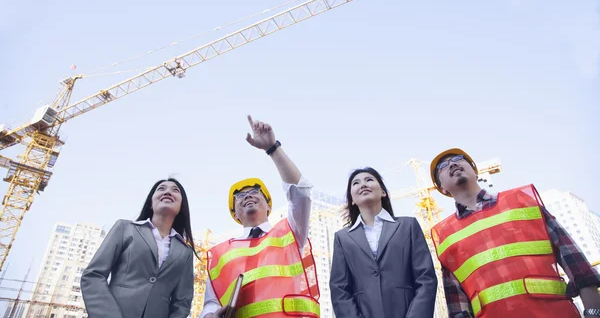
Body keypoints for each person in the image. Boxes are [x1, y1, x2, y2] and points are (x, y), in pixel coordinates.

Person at [429, 148, 600, 318]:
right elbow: (458, 307)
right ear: (442, 188)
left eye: (459, 158)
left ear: (474, 170)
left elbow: (575, 261)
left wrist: (593, 311)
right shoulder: (445, 235)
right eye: (443, 166)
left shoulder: (520, 201)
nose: (452, 163)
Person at [200, 115, 320, 318]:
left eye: (255, 191)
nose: (247, 195)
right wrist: (210, 316)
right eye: (239, 196)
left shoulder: (290, 233)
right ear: (235, 214)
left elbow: (301, 192)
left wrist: (272, 149)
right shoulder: (220, 255)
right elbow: (210, 303)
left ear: (268, 205)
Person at [329, 167, 438, 318]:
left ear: (383, 192)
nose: (363, 184)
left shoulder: (408, 226)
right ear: (352, 200)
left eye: (369, 180)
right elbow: (339, 289)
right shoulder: (342, 238)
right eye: (356, 183)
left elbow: (425, 278)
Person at [81, 178, 196, 318]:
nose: (167, 192)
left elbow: (182, 302)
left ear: (181, 206)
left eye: (175, 190)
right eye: (161, 188)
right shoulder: (125, 228)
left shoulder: (186, 252)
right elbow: (93, 275)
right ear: (150, 203)